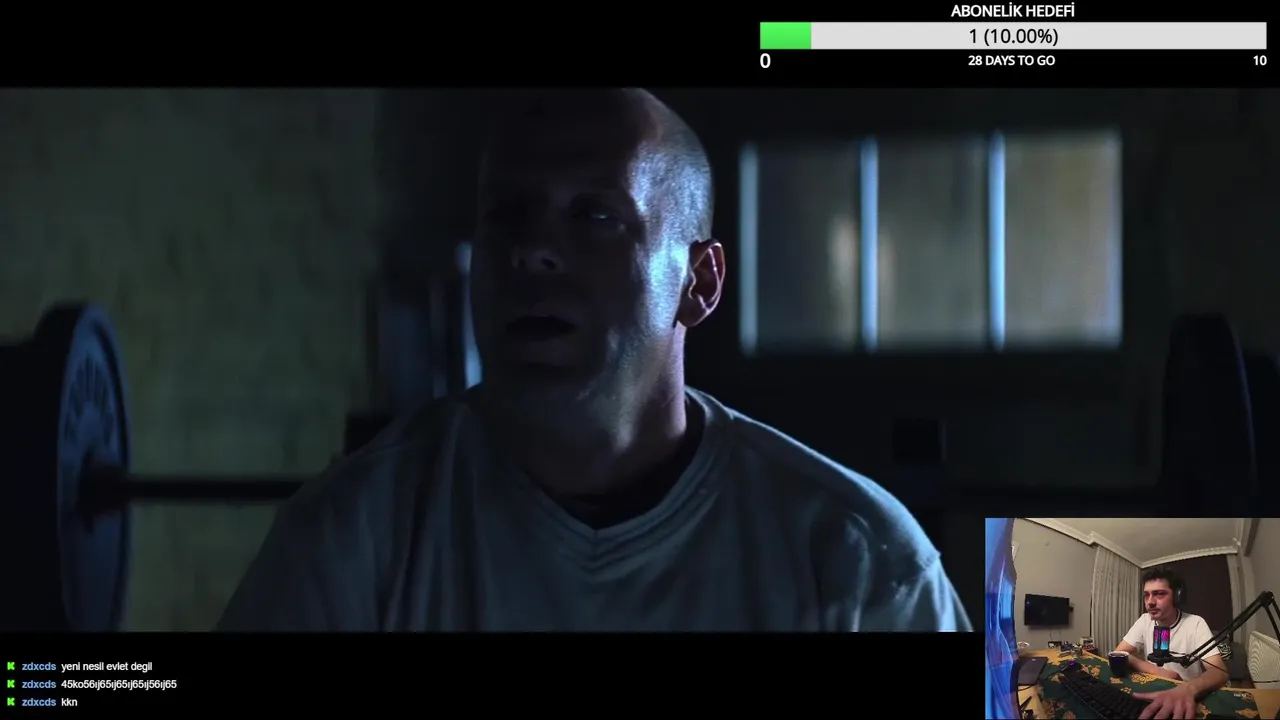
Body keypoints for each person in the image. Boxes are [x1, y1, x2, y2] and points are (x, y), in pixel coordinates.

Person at [217, 88, 971, 632]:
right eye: (507, 215)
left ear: (699, 283)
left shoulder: (858, 562)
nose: (531, 251)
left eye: (596, 216)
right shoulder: (355, 537)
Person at [1110, 567, 1229, 718]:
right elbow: (1119, 653)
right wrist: (1161, 672)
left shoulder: (1196, 623)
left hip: (1185, 694)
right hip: (1153, 688)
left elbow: (1219, 672)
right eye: (1146, 595)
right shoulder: (1144, 620)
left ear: (1177, 596)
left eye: (1159, 594)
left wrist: (1189, 688)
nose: (1150, 602)